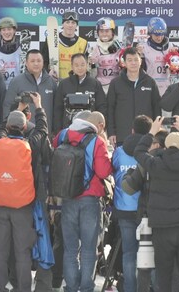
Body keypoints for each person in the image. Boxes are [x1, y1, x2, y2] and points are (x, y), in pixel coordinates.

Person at [133, 115, 179, 292]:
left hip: (162, 228)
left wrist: (152, 132)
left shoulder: (155, 164)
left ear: (165, 146)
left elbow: (139, 152)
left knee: (164, 272)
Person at [0, 92, 48, 292]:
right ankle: (23, 288)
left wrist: (18, 107)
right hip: (22, 207)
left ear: (7, 127)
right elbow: (42, 129)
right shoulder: (29, 146)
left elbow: (0, 127)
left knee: (0, 251)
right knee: (22, 251)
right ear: (25, 128)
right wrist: (38, 106)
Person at [52, 111, 111, 292]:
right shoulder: (97, 141)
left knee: (70, 249)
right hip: (90, 199)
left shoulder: (62, 135)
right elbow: (103, 172)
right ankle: (86, 287)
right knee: (88, 249)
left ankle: (71, 286)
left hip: (67, 197)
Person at [112, 115, 153, 292]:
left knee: (128, 253)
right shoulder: (150, 151)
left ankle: (129, 288)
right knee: (149, 254)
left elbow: (111, 170)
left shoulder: (119, 151)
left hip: (124, 207)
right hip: (146, 210)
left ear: (132, 130)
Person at [107, 47, 160, 147]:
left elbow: (156, 108)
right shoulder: (115, 83)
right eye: (130, 60)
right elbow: (110, 109)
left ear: (141, 61)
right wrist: (111, 132)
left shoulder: (150, 82)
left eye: (136, 59)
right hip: (122, 135)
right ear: (124, 62)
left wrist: (155, 131)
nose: (133, 63)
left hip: (146, 136)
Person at [3, 49, 57, 135]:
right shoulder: (16, 82)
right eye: (32, 61)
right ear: (26, 63)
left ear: (43, 63)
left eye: (39, 61)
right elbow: (7, 106)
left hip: (45, 133)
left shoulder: (51, 82)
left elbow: (56, 110)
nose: (36, 64)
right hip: (22, 135)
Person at [53, 53, 107, 133]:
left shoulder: (95, 84)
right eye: (76, 65)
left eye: (82, 65)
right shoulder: (63, 84)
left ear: (87, 65)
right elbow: (58, 109)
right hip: (68, 130)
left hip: (90, 130)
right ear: (72, 66)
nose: (80, 68)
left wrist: (99, 129)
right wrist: (58, 132)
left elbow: (101, 107)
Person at [41, 11, 89, 80]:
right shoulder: (51, 39)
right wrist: (48, 71)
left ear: (76, 25)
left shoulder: (83, 43)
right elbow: (43, 61)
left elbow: (86, 66)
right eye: (67, 22)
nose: (70, 25)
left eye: (73, 23)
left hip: (75, 81)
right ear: (63, 24)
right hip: (55, 80)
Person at [137, 17, 175, 96]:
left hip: (168, 90)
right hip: (150, 90)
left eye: (162, 34)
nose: (159, 38)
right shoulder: (143, 48)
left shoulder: (171, 47)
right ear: (150, 33)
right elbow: (139, 71)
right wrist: (139, 55)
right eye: (156, 35)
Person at [88, 17, 122, 93]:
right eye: (101, 31)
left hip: (117, 87)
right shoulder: (94, 50)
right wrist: (92, 65)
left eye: (107, 31)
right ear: (98, 33)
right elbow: (92, 76)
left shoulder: (120, 48)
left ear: (112, 32)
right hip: (100, 88)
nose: (104, 34)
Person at [0, 17, 22, 87]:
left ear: (14, 30)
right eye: (3, 30)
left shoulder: (22, 51)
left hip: (18, 89)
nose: (7, 32)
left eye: (9, 29)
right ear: (0, 32)